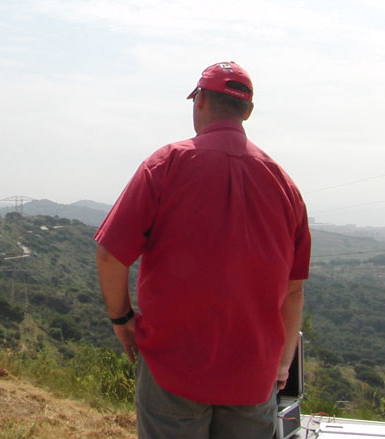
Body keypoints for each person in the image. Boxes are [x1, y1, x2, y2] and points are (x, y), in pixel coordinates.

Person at [94, 61, 311, 438]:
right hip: (253, 375)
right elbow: (293, 290)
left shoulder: (166, 164)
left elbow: (110, 255)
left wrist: (122, 319)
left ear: (199, 102)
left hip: (172, 367)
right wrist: (282, 363)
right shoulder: (284, 185)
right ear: (248, 112)